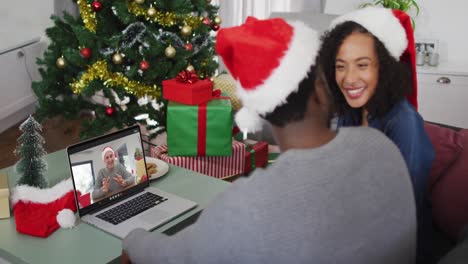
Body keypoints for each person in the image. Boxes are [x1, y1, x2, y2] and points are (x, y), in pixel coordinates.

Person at [121, 16, 416, 263]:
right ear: (320, 90)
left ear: (261, 111)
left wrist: (132, 239)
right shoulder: (381, 146)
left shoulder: (246, 207)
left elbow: (170, 257)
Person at [316, 7, 435, 263]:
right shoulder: (351, 113)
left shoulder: (404, 122)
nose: (349, 78)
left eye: (362, 65)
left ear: (385, 67)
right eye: (340, 66)